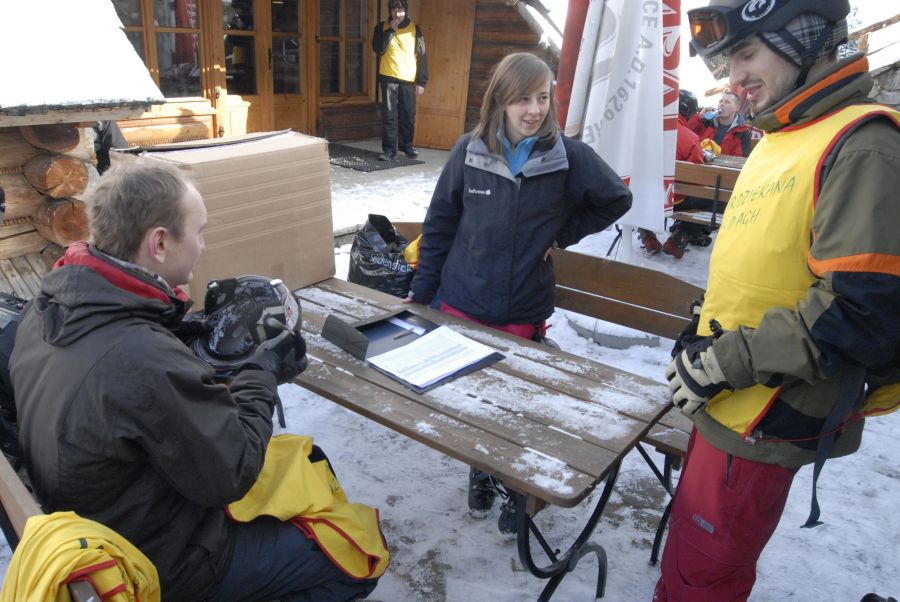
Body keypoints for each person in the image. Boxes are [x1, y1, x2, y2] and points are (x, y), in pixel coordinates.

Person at [10, 162, 377, 601]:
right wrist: (261, 373)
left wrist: (182, 332)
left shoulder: (50, 305)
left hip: (99, 518)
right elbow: (232, 472)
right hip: (160, 558)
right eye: (199, 231)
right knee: (356, 551)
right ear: (160, 242)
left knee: (302, 470)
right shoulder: (139, 358)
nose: (203, 245)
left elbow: (123, 387)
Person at [657, 0, 900, 600]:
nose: (733, 76)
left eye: (747, 52)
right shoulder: (782, 135)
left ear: (802, 38)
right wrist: (703, 335)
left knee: (706, 569)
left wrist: (722, 362)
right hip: (727, 396)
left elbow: (860, 310)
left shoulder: (862, 144)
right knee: (692, 547)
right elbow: (768, 266)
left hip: (768, 407)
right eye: (729, 60)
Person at [406, 52, 632, 534]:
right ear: (500, 101)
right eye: (522, 99)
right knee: (471, 402)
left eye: (542, 98)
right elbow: (440, 224)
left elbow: (616, 198)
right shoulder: (469, 150)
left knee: (516, 407)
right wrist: (421, 293)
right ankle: (481, 472)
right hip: (463, 301)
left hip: (521, 306)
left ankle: (518, 490)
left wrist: (560, 236)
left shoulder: (567, 156)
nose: (533, 109)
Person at [638, 89, 706, 258]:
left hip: (641, 196)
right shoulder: (690, 138)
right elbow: (697, 179)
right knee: (712, 198)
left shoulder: (643, 130)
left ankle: (646, 232)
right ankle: (680, 236)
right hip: (673, 199)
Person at [372, 0, 428, 161]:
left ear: (406, 10)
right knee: (389, 116)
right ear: (390, 10)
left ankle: (406, 146)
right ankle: (389, 151)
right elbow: (379, 49)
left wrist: (422, 81)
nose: (397, 12)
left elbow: (422, 55)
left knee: (408, 115)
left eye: (400, 9)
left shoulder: (414, 29)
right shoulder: (381, 27)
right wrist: (391, 29)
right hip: (388, 77)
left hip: (408, 78)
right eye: (394, 9)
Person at [687, 89, 758, 157]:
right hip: (700, 165)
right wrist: (700, 117)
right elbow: (687, 135)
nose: (722, 104)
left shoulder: (743, 132)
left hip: (723, 168)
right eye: (720, 101)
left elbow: (739, 159)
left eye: (727, 102)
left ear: (736, 108)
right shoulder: (706, 121)